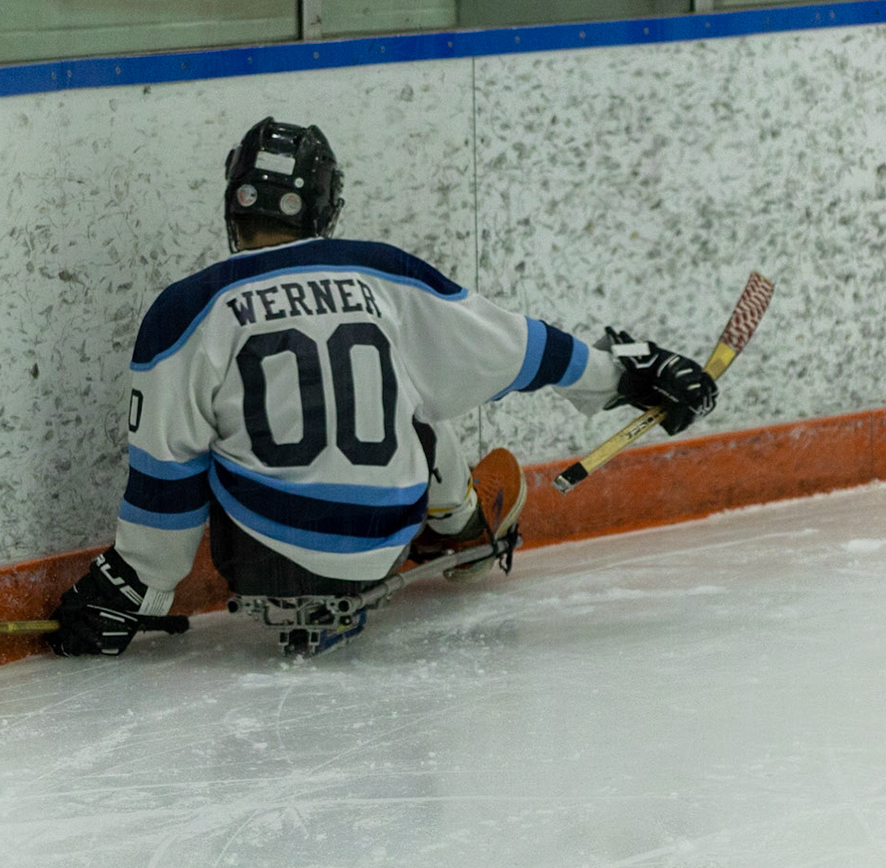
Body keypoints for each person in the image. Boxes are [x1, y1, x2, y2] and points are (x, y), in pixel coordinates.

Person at [51, 118, 719, 656]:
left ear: (234, 204)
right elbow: (517, 349)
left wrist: (135, 589)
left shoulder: (186, 308)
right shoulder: (380, 273)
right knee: (417, 392)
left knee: (210, 431)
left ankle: (444, 519)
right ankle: (458, 521)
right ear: (326, 206)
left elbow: (166, 470)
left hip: (265, 561)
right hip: (386, 543)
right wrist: (626, 375)